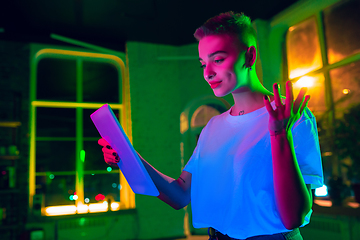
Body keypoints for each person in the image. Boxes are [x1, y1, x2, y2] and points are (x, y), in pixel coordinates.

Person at [98, 11, 323, 240]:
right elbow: (180, 194)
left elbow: (293, 217)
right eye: (203, 64)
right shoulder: (213, 127)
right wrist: (127, 156)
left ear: (250, 56)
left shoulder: (293, 116)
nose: (207, 73)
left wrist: (279, 134)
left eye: (218, 59)